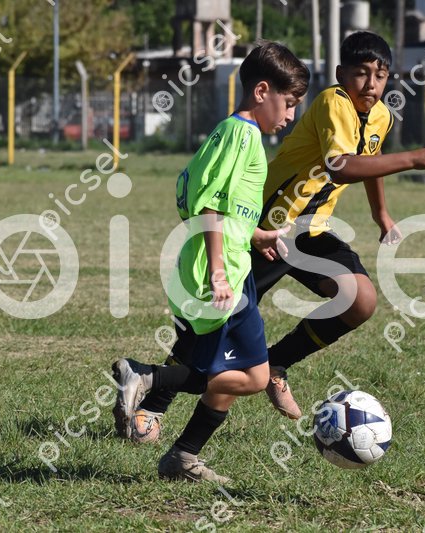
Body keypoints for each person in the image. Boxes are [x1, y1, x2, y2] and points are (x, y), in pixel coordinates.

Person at [132, 30, 425, 441]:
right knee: (213, 326)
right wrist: (412, 158)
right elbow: (340, 165)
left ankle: (276, 363)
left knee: (361, 300)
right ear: (341, 74)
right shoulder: (333, 102)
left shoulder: (382, 116)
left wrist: (381, 213)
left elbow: (372, 161)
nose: (371, 84)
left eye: (381, 75)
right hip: (270, 226)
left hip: (311, 231)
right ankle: (153, 404)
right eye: (361, 73)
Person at [112, 42, 310, 483]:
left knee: (232, 374)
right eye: (289, 102)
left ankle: (181, 455)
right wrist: (219, 270)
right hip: (219, 273)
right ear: (262, 91)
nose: (291, 115)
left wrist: (254, 235)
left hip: (221, 265)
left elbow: (210, 200)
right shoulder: (243, 136)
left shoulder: (229, 133)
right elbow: (209, 207)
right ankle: (148, 379)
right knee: (252, 377)